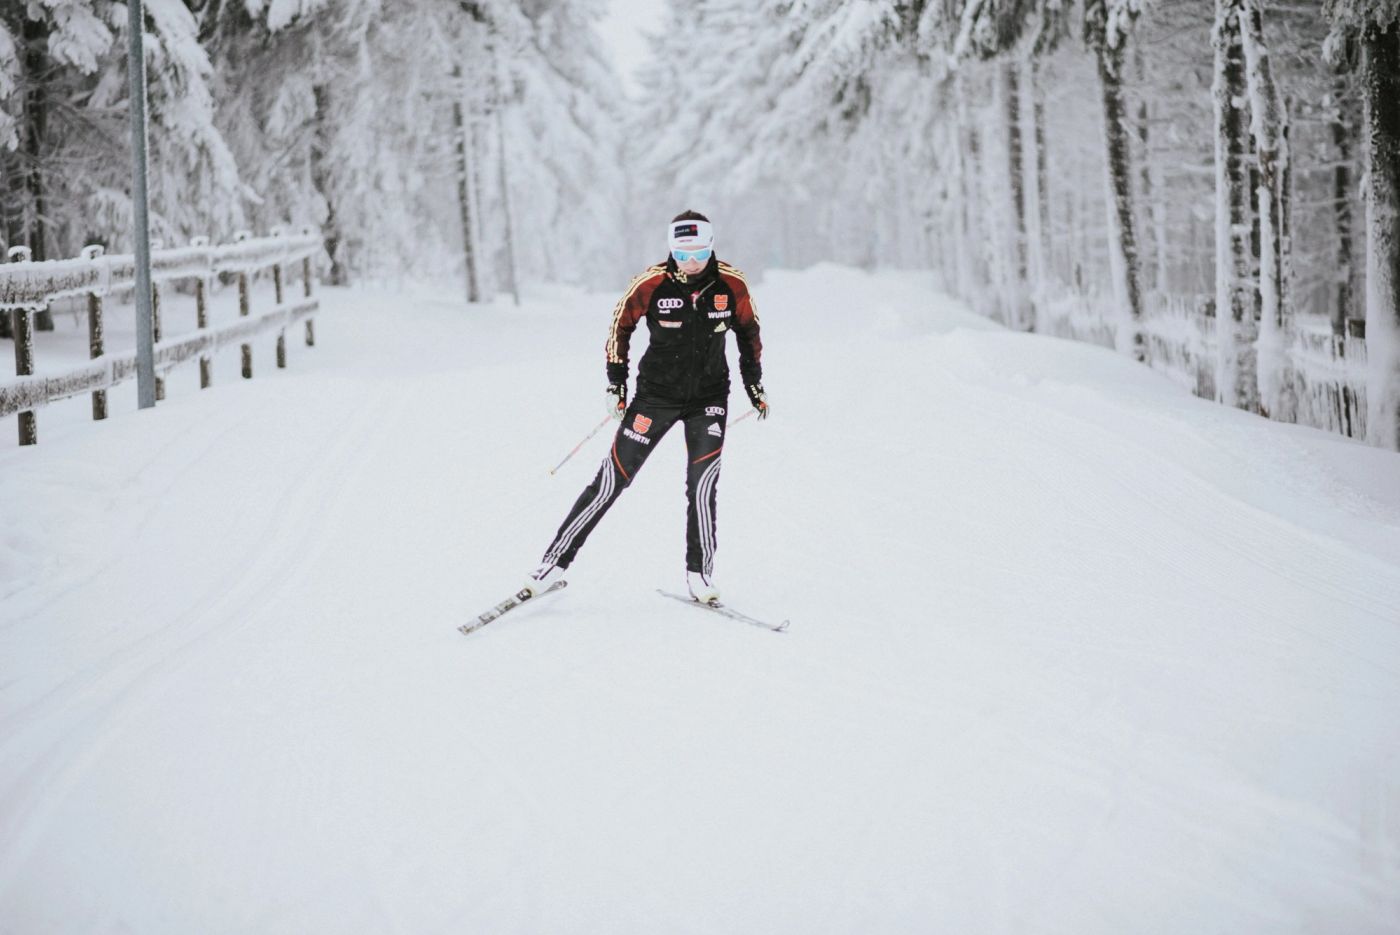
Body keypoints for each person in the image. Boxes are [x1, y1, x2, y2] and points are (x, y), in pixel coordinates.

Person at [524, 210, 768, 604]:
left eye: (699, 252)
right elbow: (620, 325)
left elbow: (749, 332)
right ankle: (552, 563)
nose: (691, 262)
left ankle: (699, 575)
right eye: (682, 253)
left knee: (702, 485)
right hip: (655, 397)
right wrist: (615, 383)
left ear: (711, 246)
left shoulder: (731, 283)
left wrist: (753, 383)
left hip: (709, 399)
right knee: (612, 480)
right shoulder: (651, 282)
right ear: (671, 249)